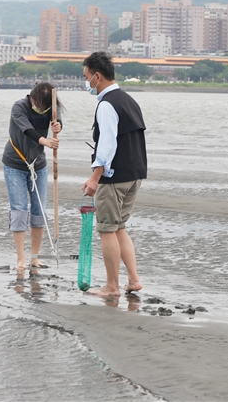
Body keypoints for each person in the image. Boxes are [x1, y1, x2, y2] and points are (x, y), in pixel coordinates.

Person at [81, 52, 147, 297]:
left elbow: (107, 145)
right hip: (135, 174)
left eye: (87, 77)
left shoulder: (107, 104)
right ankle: (134, 280)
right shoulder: (129, 100)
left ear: (97, 76)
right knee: (119, 227)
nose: (87, 83)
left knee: (107, 229)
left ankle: (112, 286)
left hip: (114, 176)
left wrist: (95, 177)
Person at [2, 82, 63, 271]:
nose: (43, 109)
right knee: (19, 210)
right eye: (40, 104)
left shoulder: (51, 107)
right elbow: (27, 130)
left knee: (39, 211)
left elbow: (58, 121)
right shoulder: (19, 107)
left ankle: (34, 258)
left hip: (38, 165)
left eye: (46, 107)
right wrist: (46, 141)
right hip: (15, 163)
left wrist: (58, 126)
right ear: (33, 97)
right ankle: (20, 259)